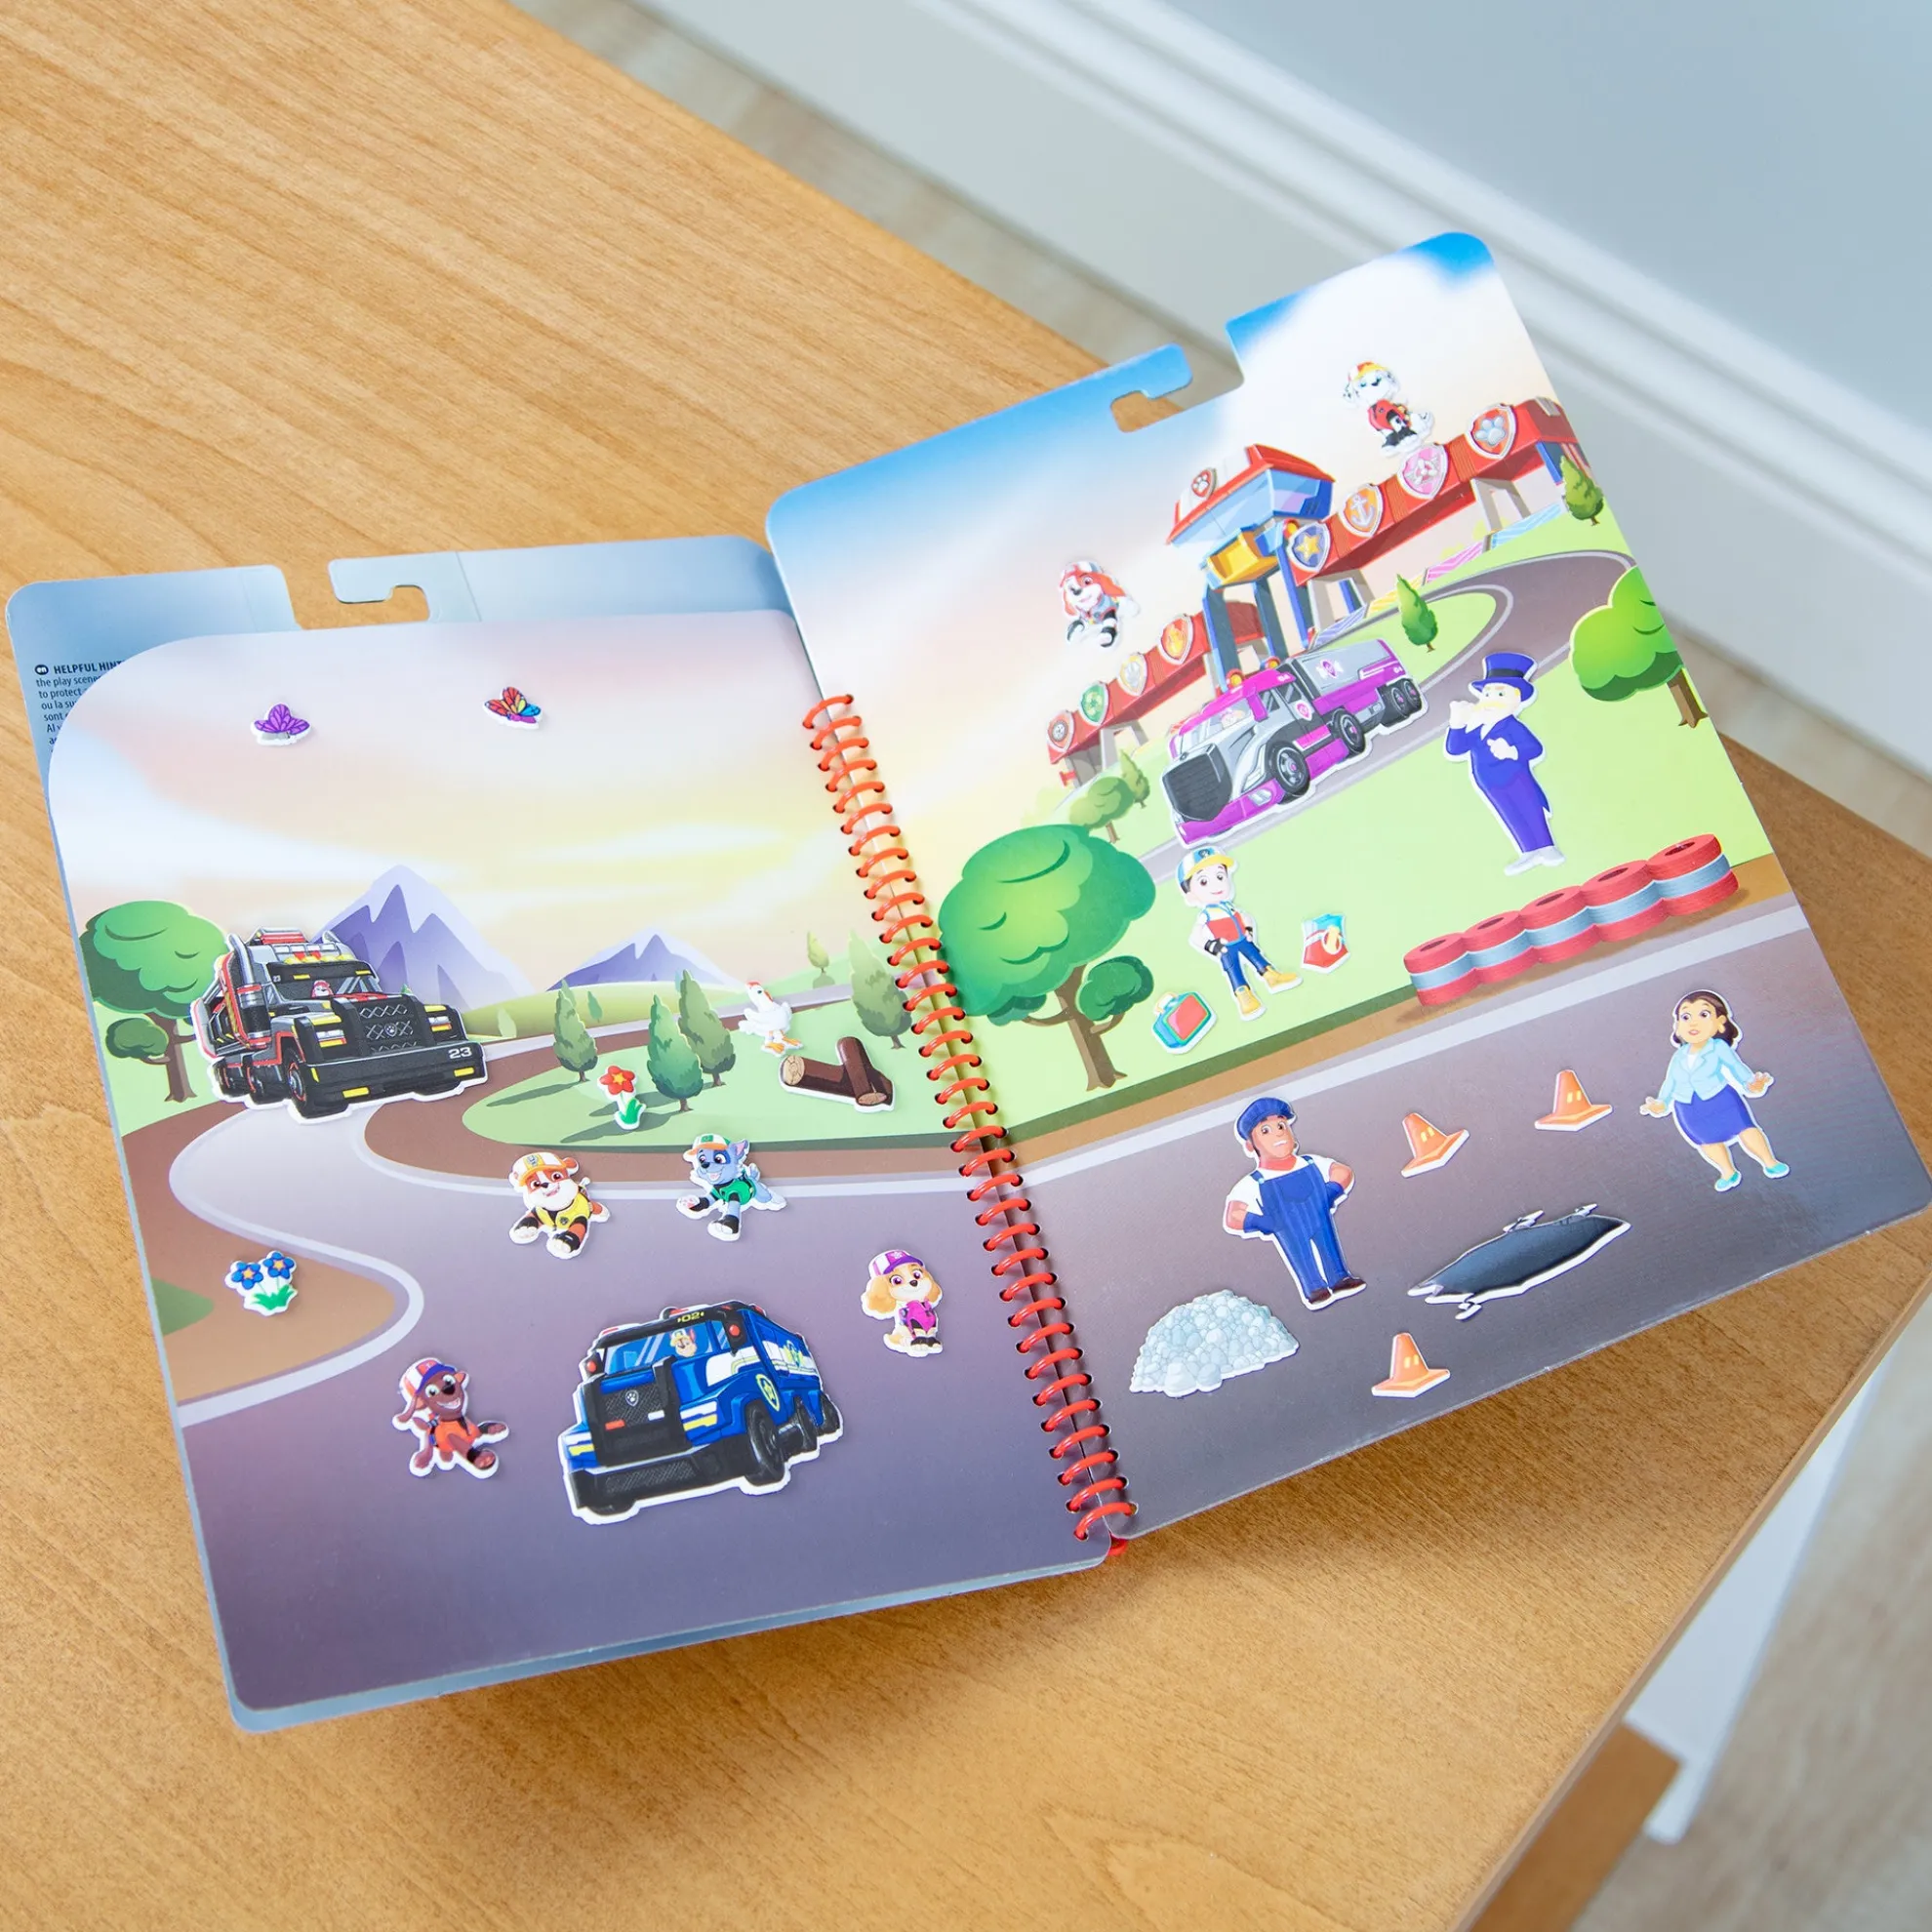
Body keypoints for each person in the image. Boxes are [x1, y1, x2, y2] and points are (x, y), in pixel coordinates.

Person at [1639, 988, 1789, 1192]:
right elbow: (1671, 1081)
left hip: (1719, 1098)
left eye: (1703, 1014)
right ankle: (1727, 1171)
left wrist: (1749, 1083)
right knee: (1706, 1141)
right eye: (1685, 1017)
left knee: (1745, 1129)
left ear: (1720, 1023)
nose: (1693, 1023)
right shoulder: (1679, 1056)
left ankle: (1769, 1161)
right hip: (1688, 1107)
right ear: (1677, 1026)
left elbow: (1735, 1066)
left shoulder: (1718, 1047)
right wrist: (1662, 1102)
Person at [1222, 1096, 1363, 1309]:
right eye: (1265, 1131)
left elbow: (1342, 1171)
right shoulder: (1256, 1181)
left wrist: (1330, 1192)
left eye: (1281, 1126)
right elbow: (1233, 1215)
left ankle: (1339, 1278)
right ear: (1251, 1146)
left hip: (1319, 1216)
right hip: (1287, 1227)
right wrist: (1264, 1222)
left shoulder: (1310, 1162)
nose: (1278, 1133)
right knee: (1300, 1255)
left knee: (1329, 1246)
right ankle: (1314, 1287)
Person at [1443, 650, 1563, 874]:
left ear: (1517, 699)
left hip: (1516, 778)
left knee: (1529, 809)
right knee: (1510, 815)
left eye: (1500, 694)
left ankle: (1547, 847)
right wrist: (1457, 724)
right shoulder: (1477, 726)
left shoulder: (1512, 726)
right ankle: (1528, 850)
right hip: (1489, 783)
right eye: (1487, 694)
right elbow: (1456, 749)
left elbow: (1534, 748)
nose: (1490, 700)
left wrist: (1511, 751)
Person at [1177, 846, 1299, 1021]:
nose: (1216, 884)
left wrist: (1248, 930)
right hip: (1225, 947)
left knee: (1256, 956)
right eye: (1203, 881)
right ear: (1190, 896)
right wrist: (1211, 945)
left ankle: (1271, 976)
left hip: (1243, 939)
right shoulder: (1207, 914)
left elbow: (1245, 917)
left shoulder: (1229, 906)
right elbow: (1196, 936)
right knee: (1233, 969)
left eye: (1220, 876)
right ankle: (1243, 995)